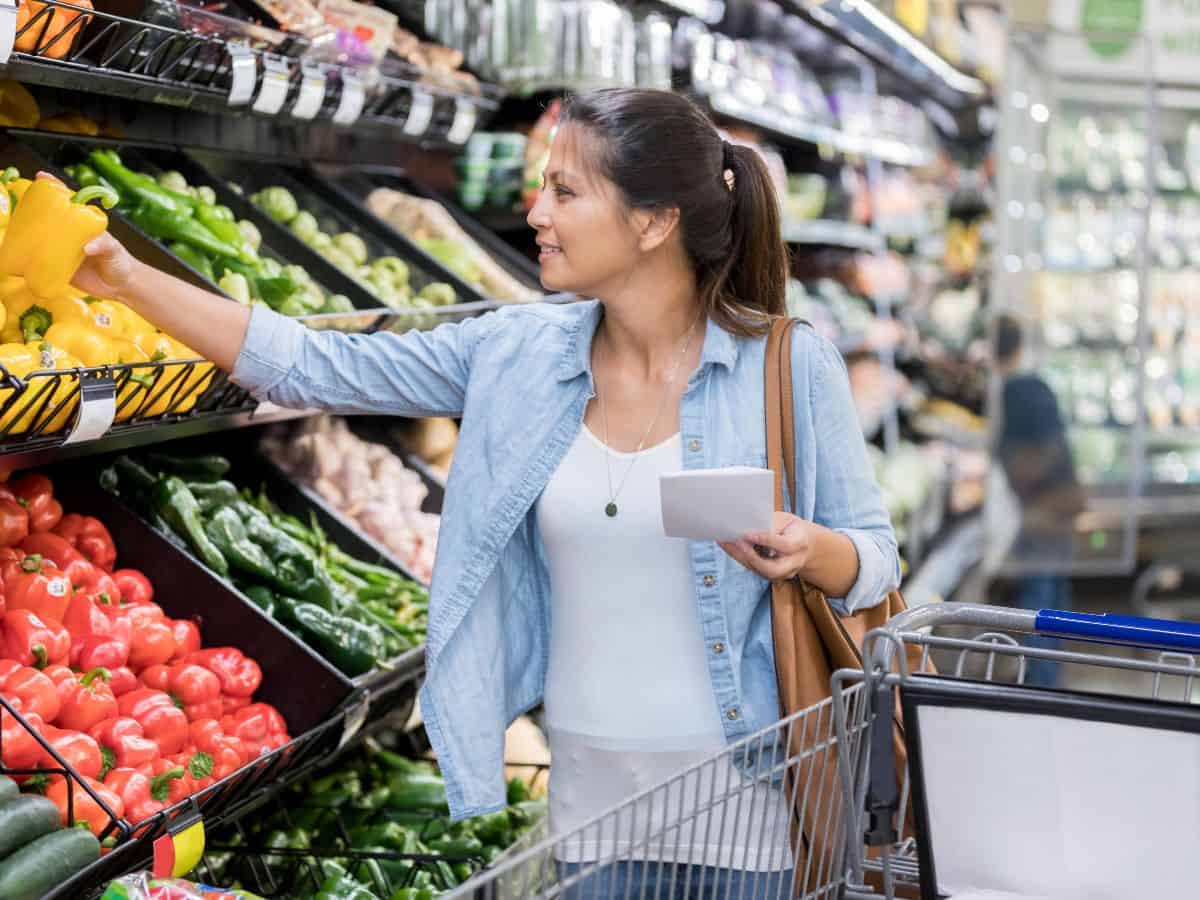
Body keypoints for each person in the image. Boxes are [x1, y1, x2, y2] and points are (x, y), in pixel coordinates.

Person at [68, 88, 899, 896]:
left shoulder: (785, 366)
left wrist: (810, 549)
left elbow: (874, 558)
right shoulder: (516, 354)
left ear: (653, 221)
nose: (536, 213)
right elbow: (312, 364)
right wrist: (127, 279)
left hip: (745, 810)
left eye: (565, 191)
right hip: (588, 816)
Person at [993, 315, 1083, 688]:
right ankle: (1047, 684)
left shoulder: (1018, 391)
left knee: (1041, 605)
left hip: (1043, 512)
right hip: (1053, 510)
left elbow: (1044, 453)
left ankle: (1042, 690)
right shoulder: (1028, 387)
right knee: (1051, 602)